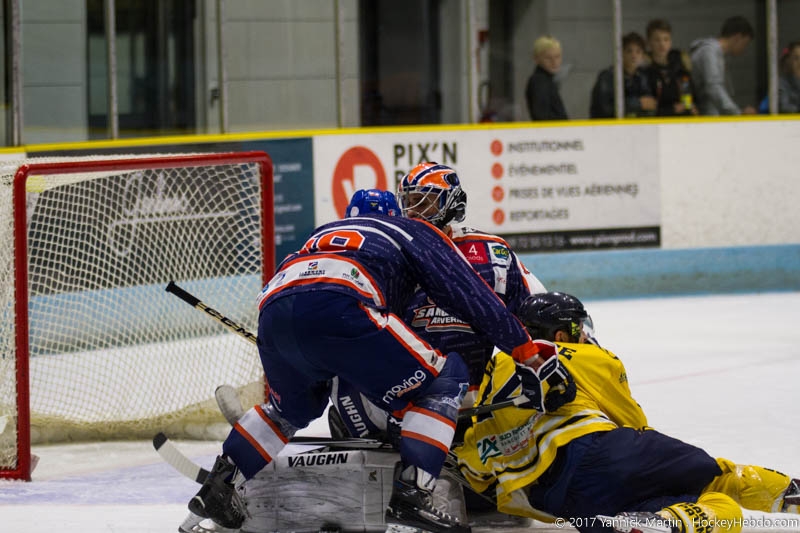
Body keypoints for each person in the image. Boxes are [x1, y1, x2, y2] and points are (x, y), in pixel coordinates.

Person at [186, 188, 573, 533]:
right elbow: (469, 295)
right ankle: (414, 492)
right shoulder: (410, 232)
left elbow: (302, 295)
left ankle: (219, 488)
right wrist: (526, 353)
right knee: (444, 378)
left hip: (275, 308)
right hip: (345, 303)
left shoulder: (322, 234)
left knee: (289, 409)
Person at [453, 292, 800, 533]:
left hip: (560, 500)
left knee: (696, 505)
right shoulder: (587, 357)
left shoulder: (491, 378)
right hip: (601, 452)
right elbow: (635, 425)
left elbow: (477, 471)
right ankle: (792, 496)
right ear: (561, 334)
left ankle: (664, 523)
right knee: (720, 482)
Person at [329, 164, 548, 442]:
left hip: (480, 401)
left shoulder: (491, 251)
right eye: (409, 202)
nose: (415, 211)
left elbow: (537, 312)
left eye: (427, 201)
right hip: (406, 400)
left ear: (453, 203)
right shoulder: (391, 254)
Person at [690, 16, 756, 115]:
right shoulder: (709, 52)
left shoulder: (719, 55)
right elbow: (713, 87)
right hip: (706, 116)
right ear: (737, 37)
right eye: (745, 44)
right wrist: (737, 113)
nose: (744, 49)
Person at [590, 32, 656, 118]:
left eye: (638, 52)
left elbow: (650, 105)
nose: (634, 55)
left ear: (643, 56)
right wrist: (637, 103)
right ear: (621, 53)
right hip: (606, 128)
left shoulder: (642, 77)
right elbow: (604, 108)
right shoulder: (608, 77)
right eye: (629, 51)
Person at [642, 19, 696, 116]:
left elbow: (691, 97)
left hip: (683, 122)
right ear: (649, 42)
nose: (662, 44)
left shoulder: (680, 68)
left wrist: (691, 107)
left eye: (666, 39)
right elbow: (646, 106)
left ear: (670, 42)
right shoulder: (644, 70)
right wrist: (671, 110)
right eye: (657, 40)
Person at [525, 35, 568, 120]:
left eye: (557, 57)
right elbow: (542, 116)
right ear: (536, 59)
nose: (554, 62)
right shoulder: (539, 81)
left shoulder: (546, 80)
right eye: (548, 58)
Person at [779, 41, 800, 113]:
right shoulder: (782, 84)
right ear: (789, 60)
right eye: (796, 58)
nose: (799, 62)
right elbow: (784, 107)